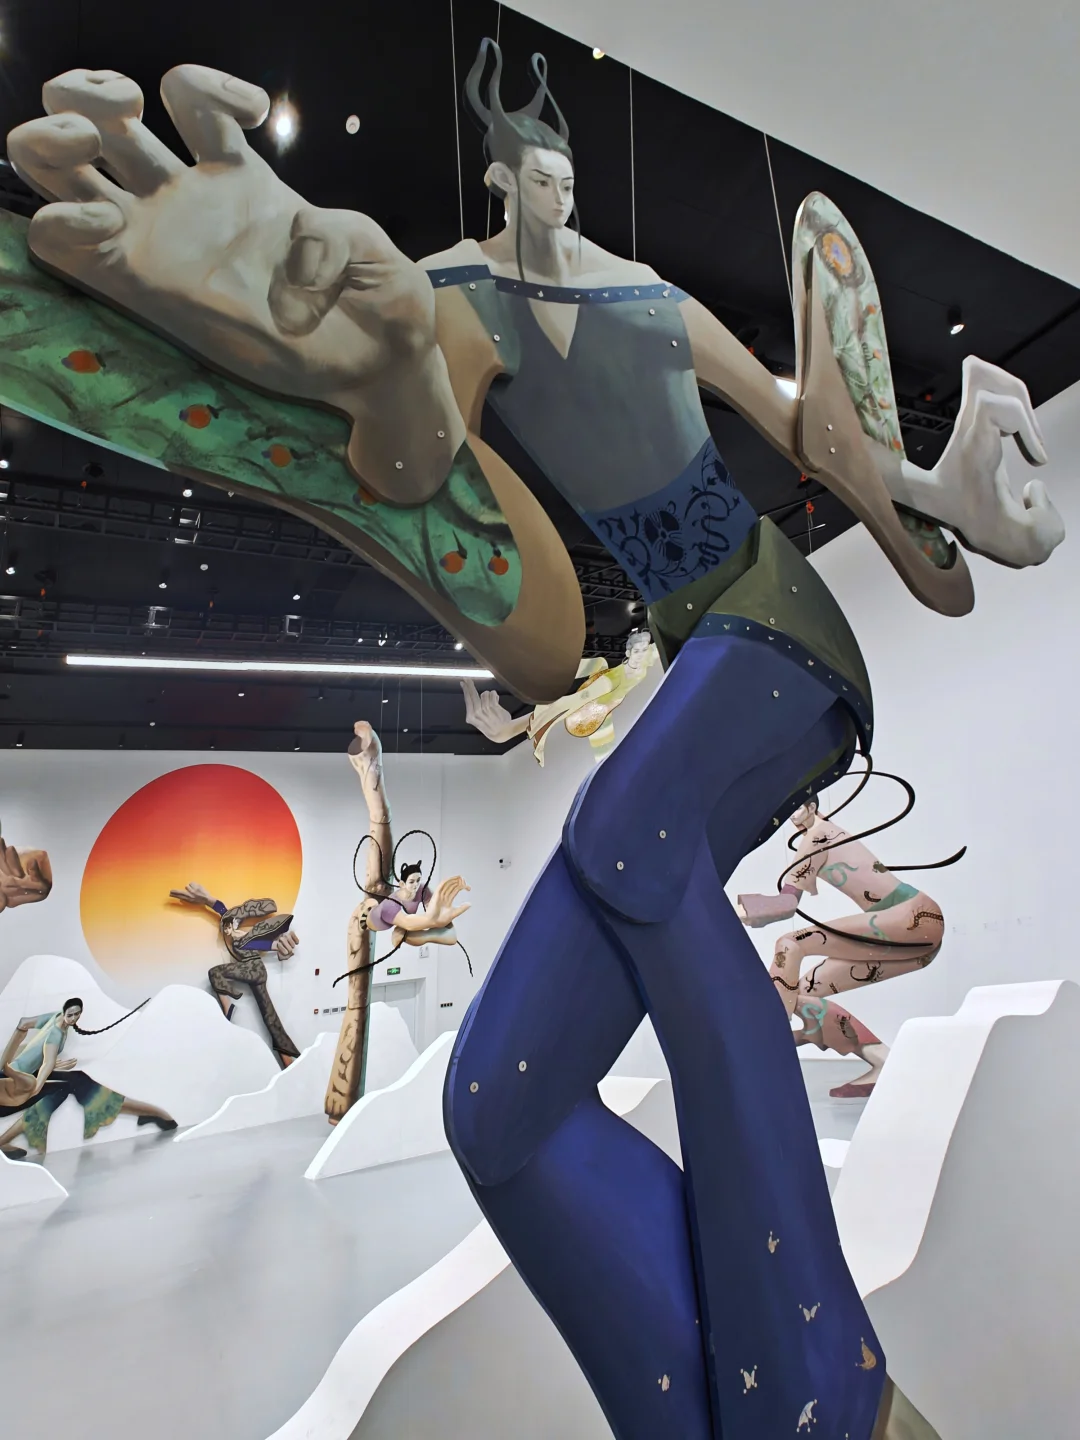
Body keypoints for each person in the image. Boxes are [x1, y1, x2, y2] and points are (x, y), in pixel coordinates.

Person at [7, 51, 1064, 1440]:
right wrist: (306, 349)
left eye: (572, 173)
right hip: (695, 645)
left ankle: (819, 1390)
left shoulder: (650, 299)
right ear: (502, 182)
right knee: (494, 1108)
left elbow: (813, 437)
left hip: (778, 625)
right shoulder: (457, 294)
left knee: (620, 830)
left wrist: (943, 495)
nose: (562, 195)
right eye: (542, 176)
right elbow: (421, 458)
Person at [738, 796, 943, 1098]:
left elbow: (785, 904)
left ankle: (767, 1035)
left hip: (912, 916)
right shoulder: (820, 836)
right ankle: (882, 1061)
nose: (790, 814)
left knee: (790, 944)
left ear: (811, 807)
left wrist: (727, 914)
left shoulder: (819, 834)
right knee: (801, 995)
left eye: (796, 807)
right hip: (908, 933)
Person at [0, 998, 176, 1158]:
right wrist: (35, 1084)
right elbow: (47, 1062)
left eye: (77, 1014)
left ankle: (148, 1112)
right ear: (64, 1012)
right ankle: (149, 1112)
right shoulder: (56, 1033)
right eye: (71, 1015)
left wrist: (6, 1065)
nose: (73, 1018)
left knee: (76, 1080)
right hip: (12, 1088)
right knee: (69, 1086)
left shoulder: (55, 1018)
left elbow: (23, 1024)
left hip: (16, 1077)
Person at [462, 629, 659, 764]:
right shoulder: (607, 681)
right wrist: (513, 729)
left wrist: (512, 729)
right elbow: (568, 701)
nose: (640, 655)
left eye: (642, 651)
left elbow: (569, 697)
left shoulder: (619, 674)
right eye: (636, 651)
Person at [170, 884, 301, 1068]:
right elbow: (225, 913)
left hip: (253, 970)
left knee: (215, 972)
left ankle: (228, 1007)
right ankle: (289, 1063)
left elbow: (263, 944)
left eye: (227, 927)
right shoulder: (232, 931)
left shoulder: (242, 936)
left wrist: (277, 946)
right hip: (253, 971)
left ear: (233, 925)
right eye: (224, 929)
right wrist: (209, 900)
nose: (225, 932)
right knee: (270, 1018)